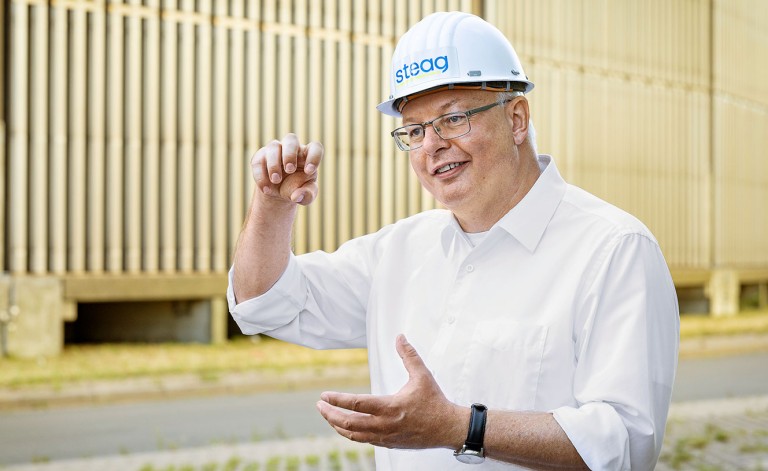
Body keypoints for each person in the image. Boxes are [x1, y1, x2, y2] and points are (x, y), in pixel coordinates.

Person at [228, 11, 679, 471]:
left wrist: (461, 428)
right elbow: (264, 302)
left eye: (454, 118)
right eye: (415, 130)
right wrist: (271, 204)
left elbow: (624, 443)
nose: (431, 146)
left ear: (517, 118)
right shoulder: (398, 252)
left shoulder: (613, 249)